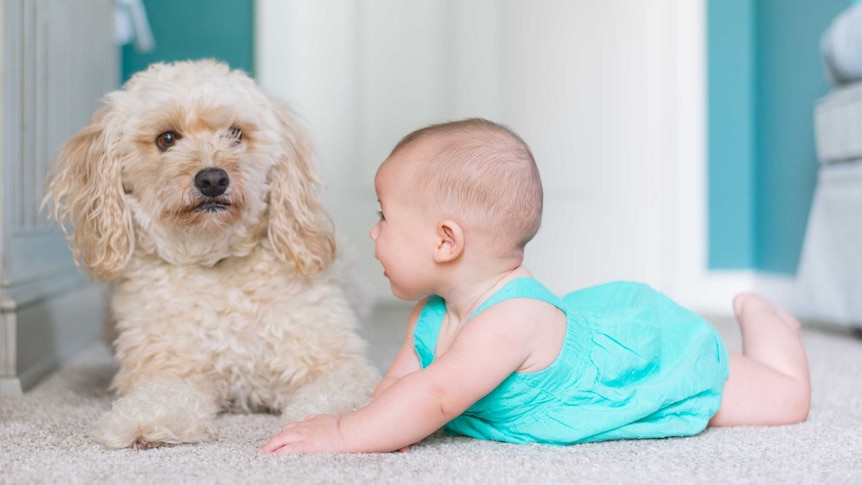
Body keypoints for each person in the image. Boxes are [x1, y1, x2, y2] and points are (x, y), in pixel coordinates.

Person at [261, 118, 811, 454]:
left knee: (786, 400)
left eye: (385, 218)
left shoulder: (508, 322)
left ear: (445, 242)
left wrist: (342, 435)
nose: (373, 231)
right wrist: (379, 424)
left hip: (643, 360)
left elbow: (434, 396)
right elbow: (401, 390)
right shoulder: (430, 314)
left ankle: (766, 319)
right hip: (578, 330)